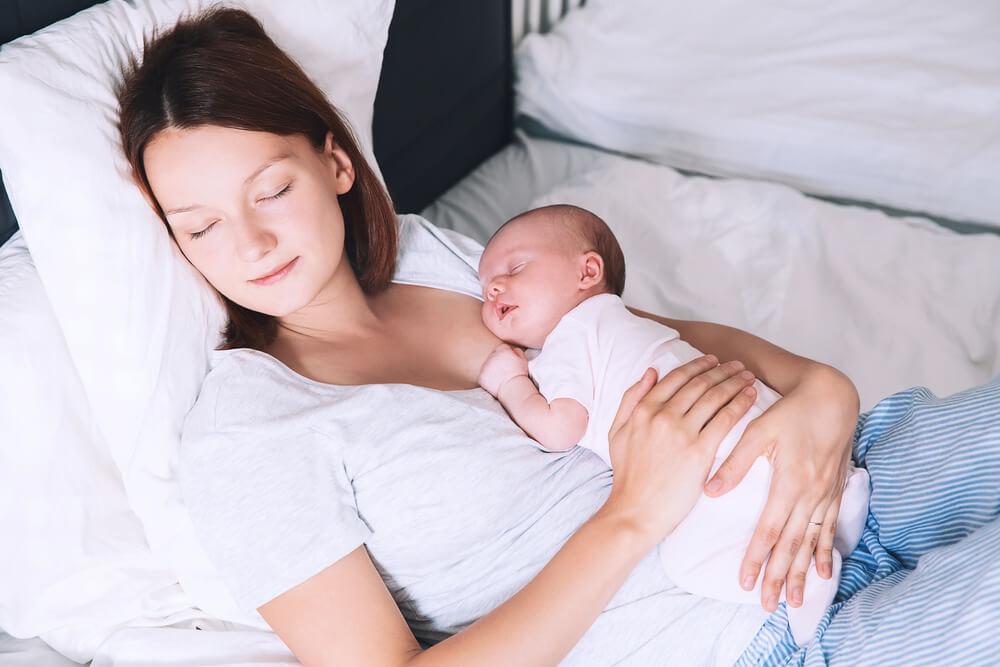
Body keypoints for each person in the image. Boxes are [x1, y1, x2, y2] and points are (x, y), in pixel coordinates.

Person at [116, 7, 1000, 666]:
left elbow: (645, 331)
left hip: (848, 472)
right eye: (200, 227)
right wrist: (632, 514)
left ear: (336, 164)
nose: (253, 244)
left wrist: (821, 394)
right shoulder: (248, 433)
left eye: (270, 191)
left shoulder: (437, 260)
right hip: (751, 633)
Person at [475, 204, 870, 645]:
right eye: (485, 286)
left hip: (715, 471)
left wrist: (511, 384)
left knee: (686, 562)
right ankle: (849, 494)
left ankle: (805, 583)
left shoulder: (566, 340)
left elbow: (559, 427)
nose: (493, 287)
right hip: (764, 422)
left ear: (588, 271)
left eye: (515, 268)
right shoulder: (624, 320)